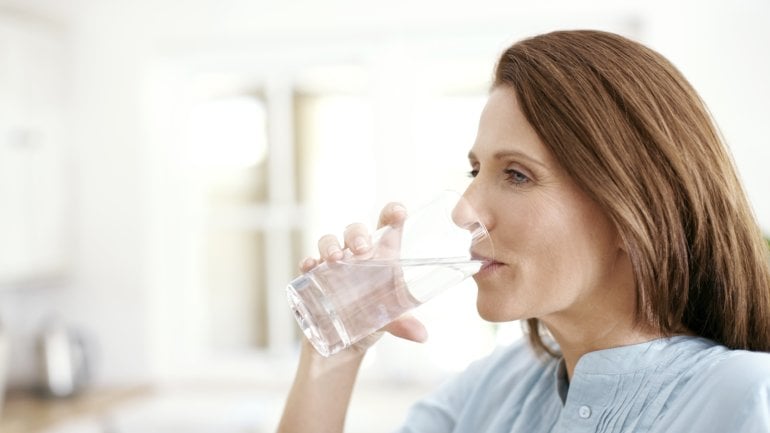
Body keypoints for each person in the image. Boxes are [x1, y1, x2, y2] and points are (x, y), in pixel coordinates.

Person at [277, 30, 770, 433]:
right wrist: (337, 351)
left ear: (632, 210)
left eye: (516, 174)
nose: (465, 211)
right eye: (476, 172)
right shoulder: (493, 390)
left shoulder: (746, 399)